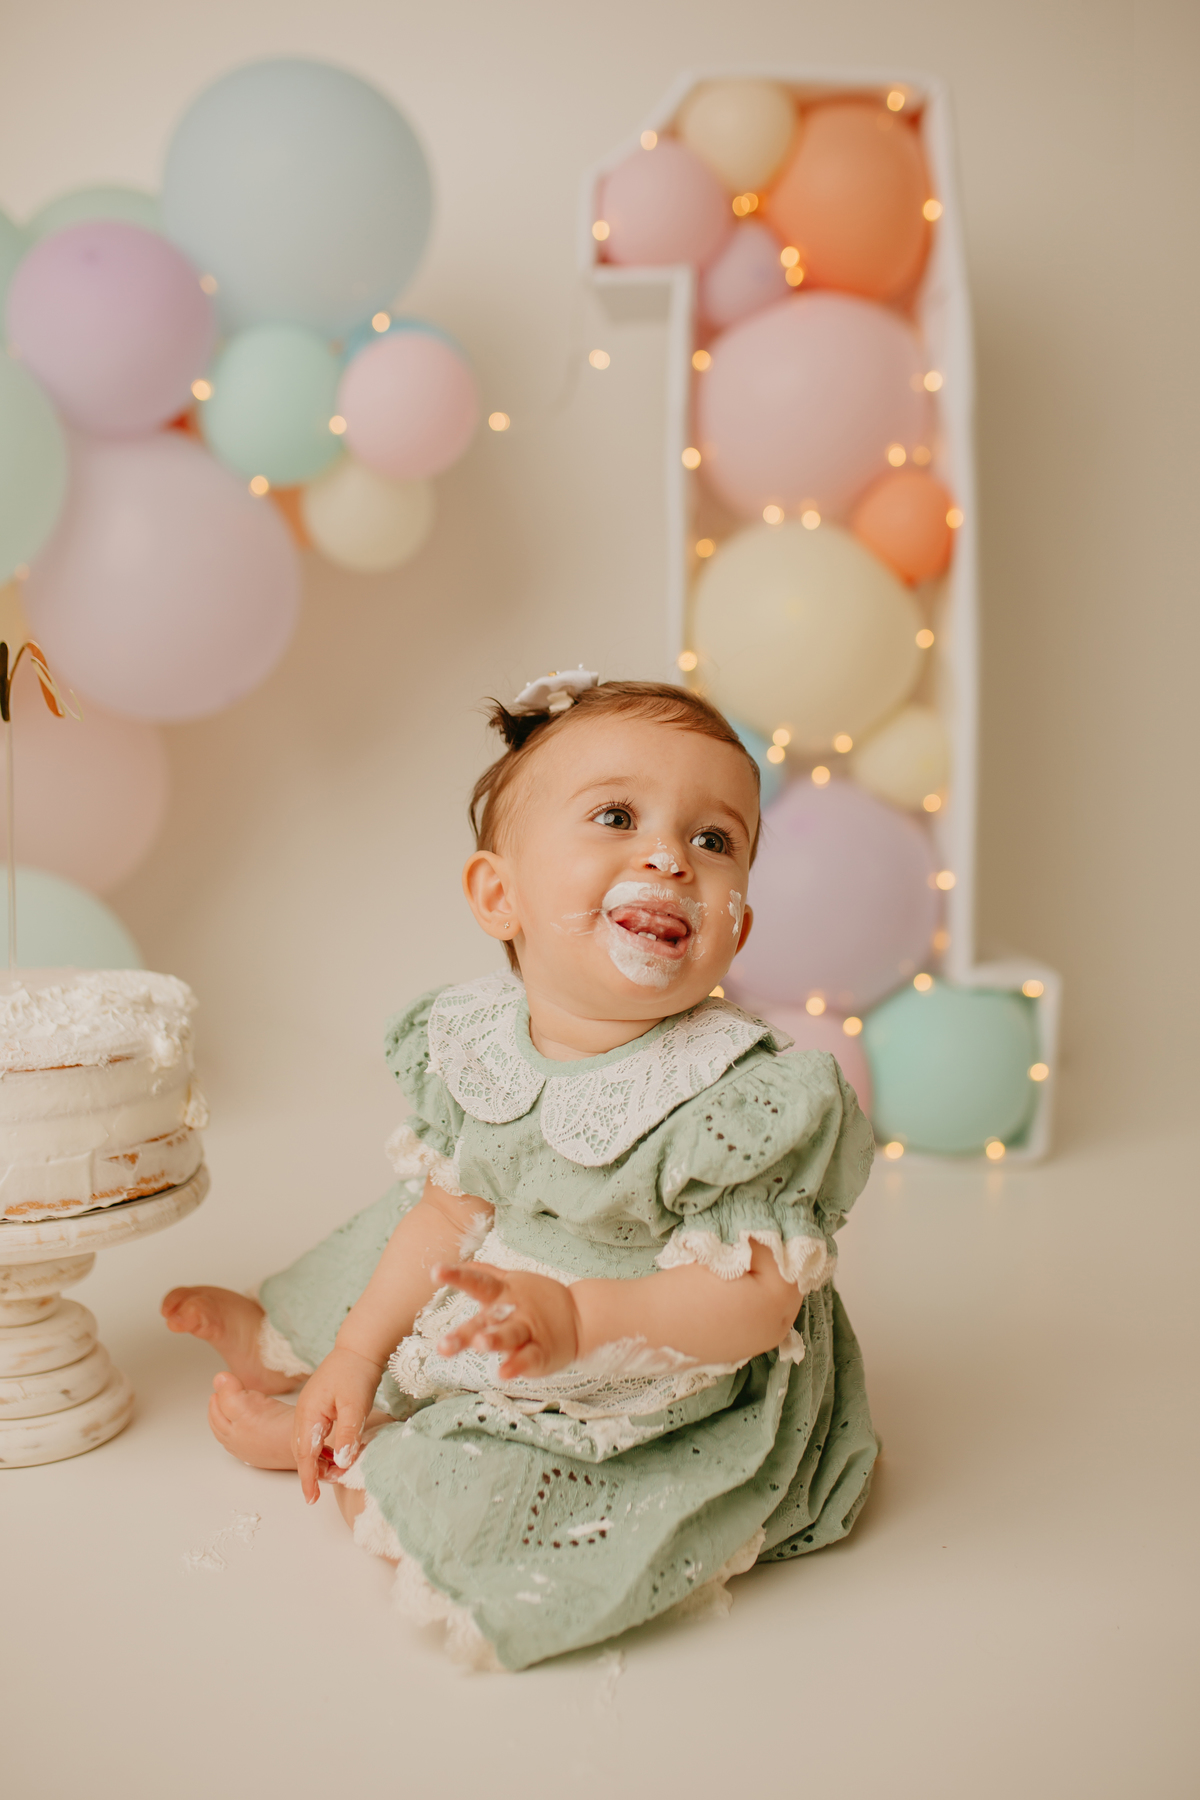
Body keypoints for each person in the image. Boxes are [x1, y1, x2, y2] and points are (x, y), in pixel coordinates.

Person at [162, 675, 878, 1670]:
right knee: (406, 1232)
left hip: (659, 1349)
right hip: (510, 1276)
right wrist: (360, 1352)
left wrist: (583, 1319)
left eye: (714, 840)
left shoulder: (737, 1098)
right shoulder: (480, 1041)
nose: (670, 857)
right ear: (500, 896)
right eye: (617, 817)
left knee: (503, 1490)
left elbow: (756, 1305)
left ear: (738, 927)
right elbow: (449, 1211)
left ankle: (354, 1449)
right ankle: (304, 1354)